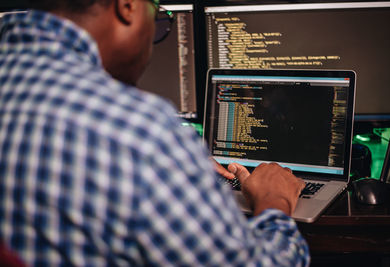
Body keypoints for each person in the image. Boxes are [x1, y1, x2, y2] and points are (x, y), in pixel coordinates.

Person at [0, 0, 309, 266]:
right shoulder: (140, 131)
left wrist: (178, 165)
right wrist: (274, 200)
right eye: (159, 17)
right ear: (128, 6)